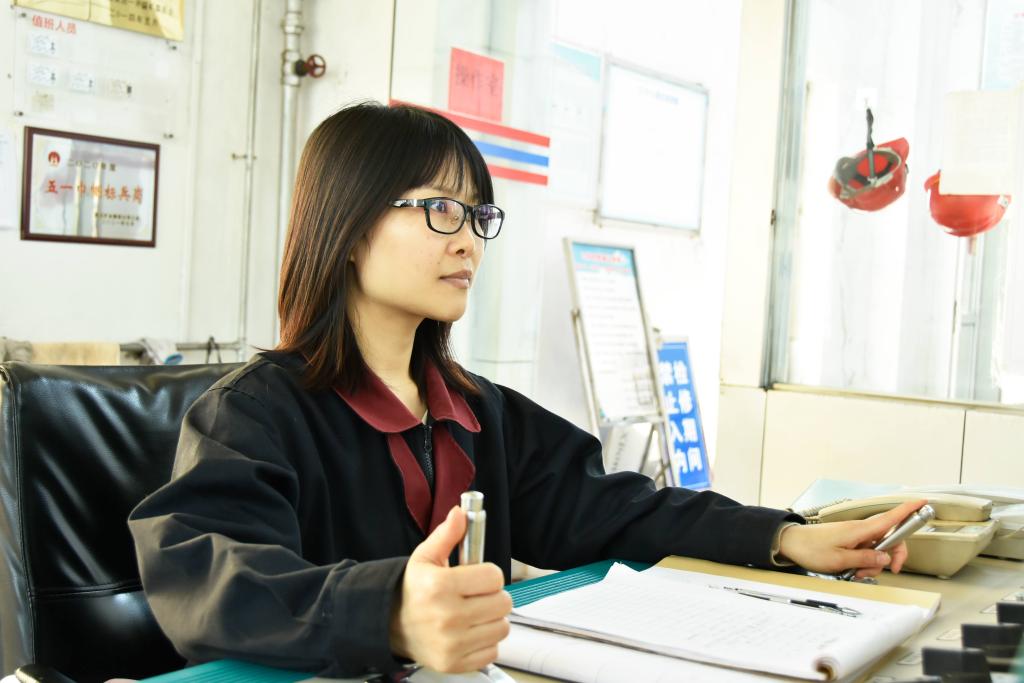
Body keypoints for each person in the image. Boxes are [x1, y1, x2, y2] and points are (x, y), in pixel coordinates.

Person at [128, 101, 924, 679]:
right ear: (348, 227)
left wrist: (783, 537)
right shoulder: (253, 413)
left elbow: (616, 508)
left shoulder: (477, 410)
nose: (469, 242)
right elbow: (208, 577)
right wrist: (392, 611)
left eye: (477, 215)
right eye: (441, 210)